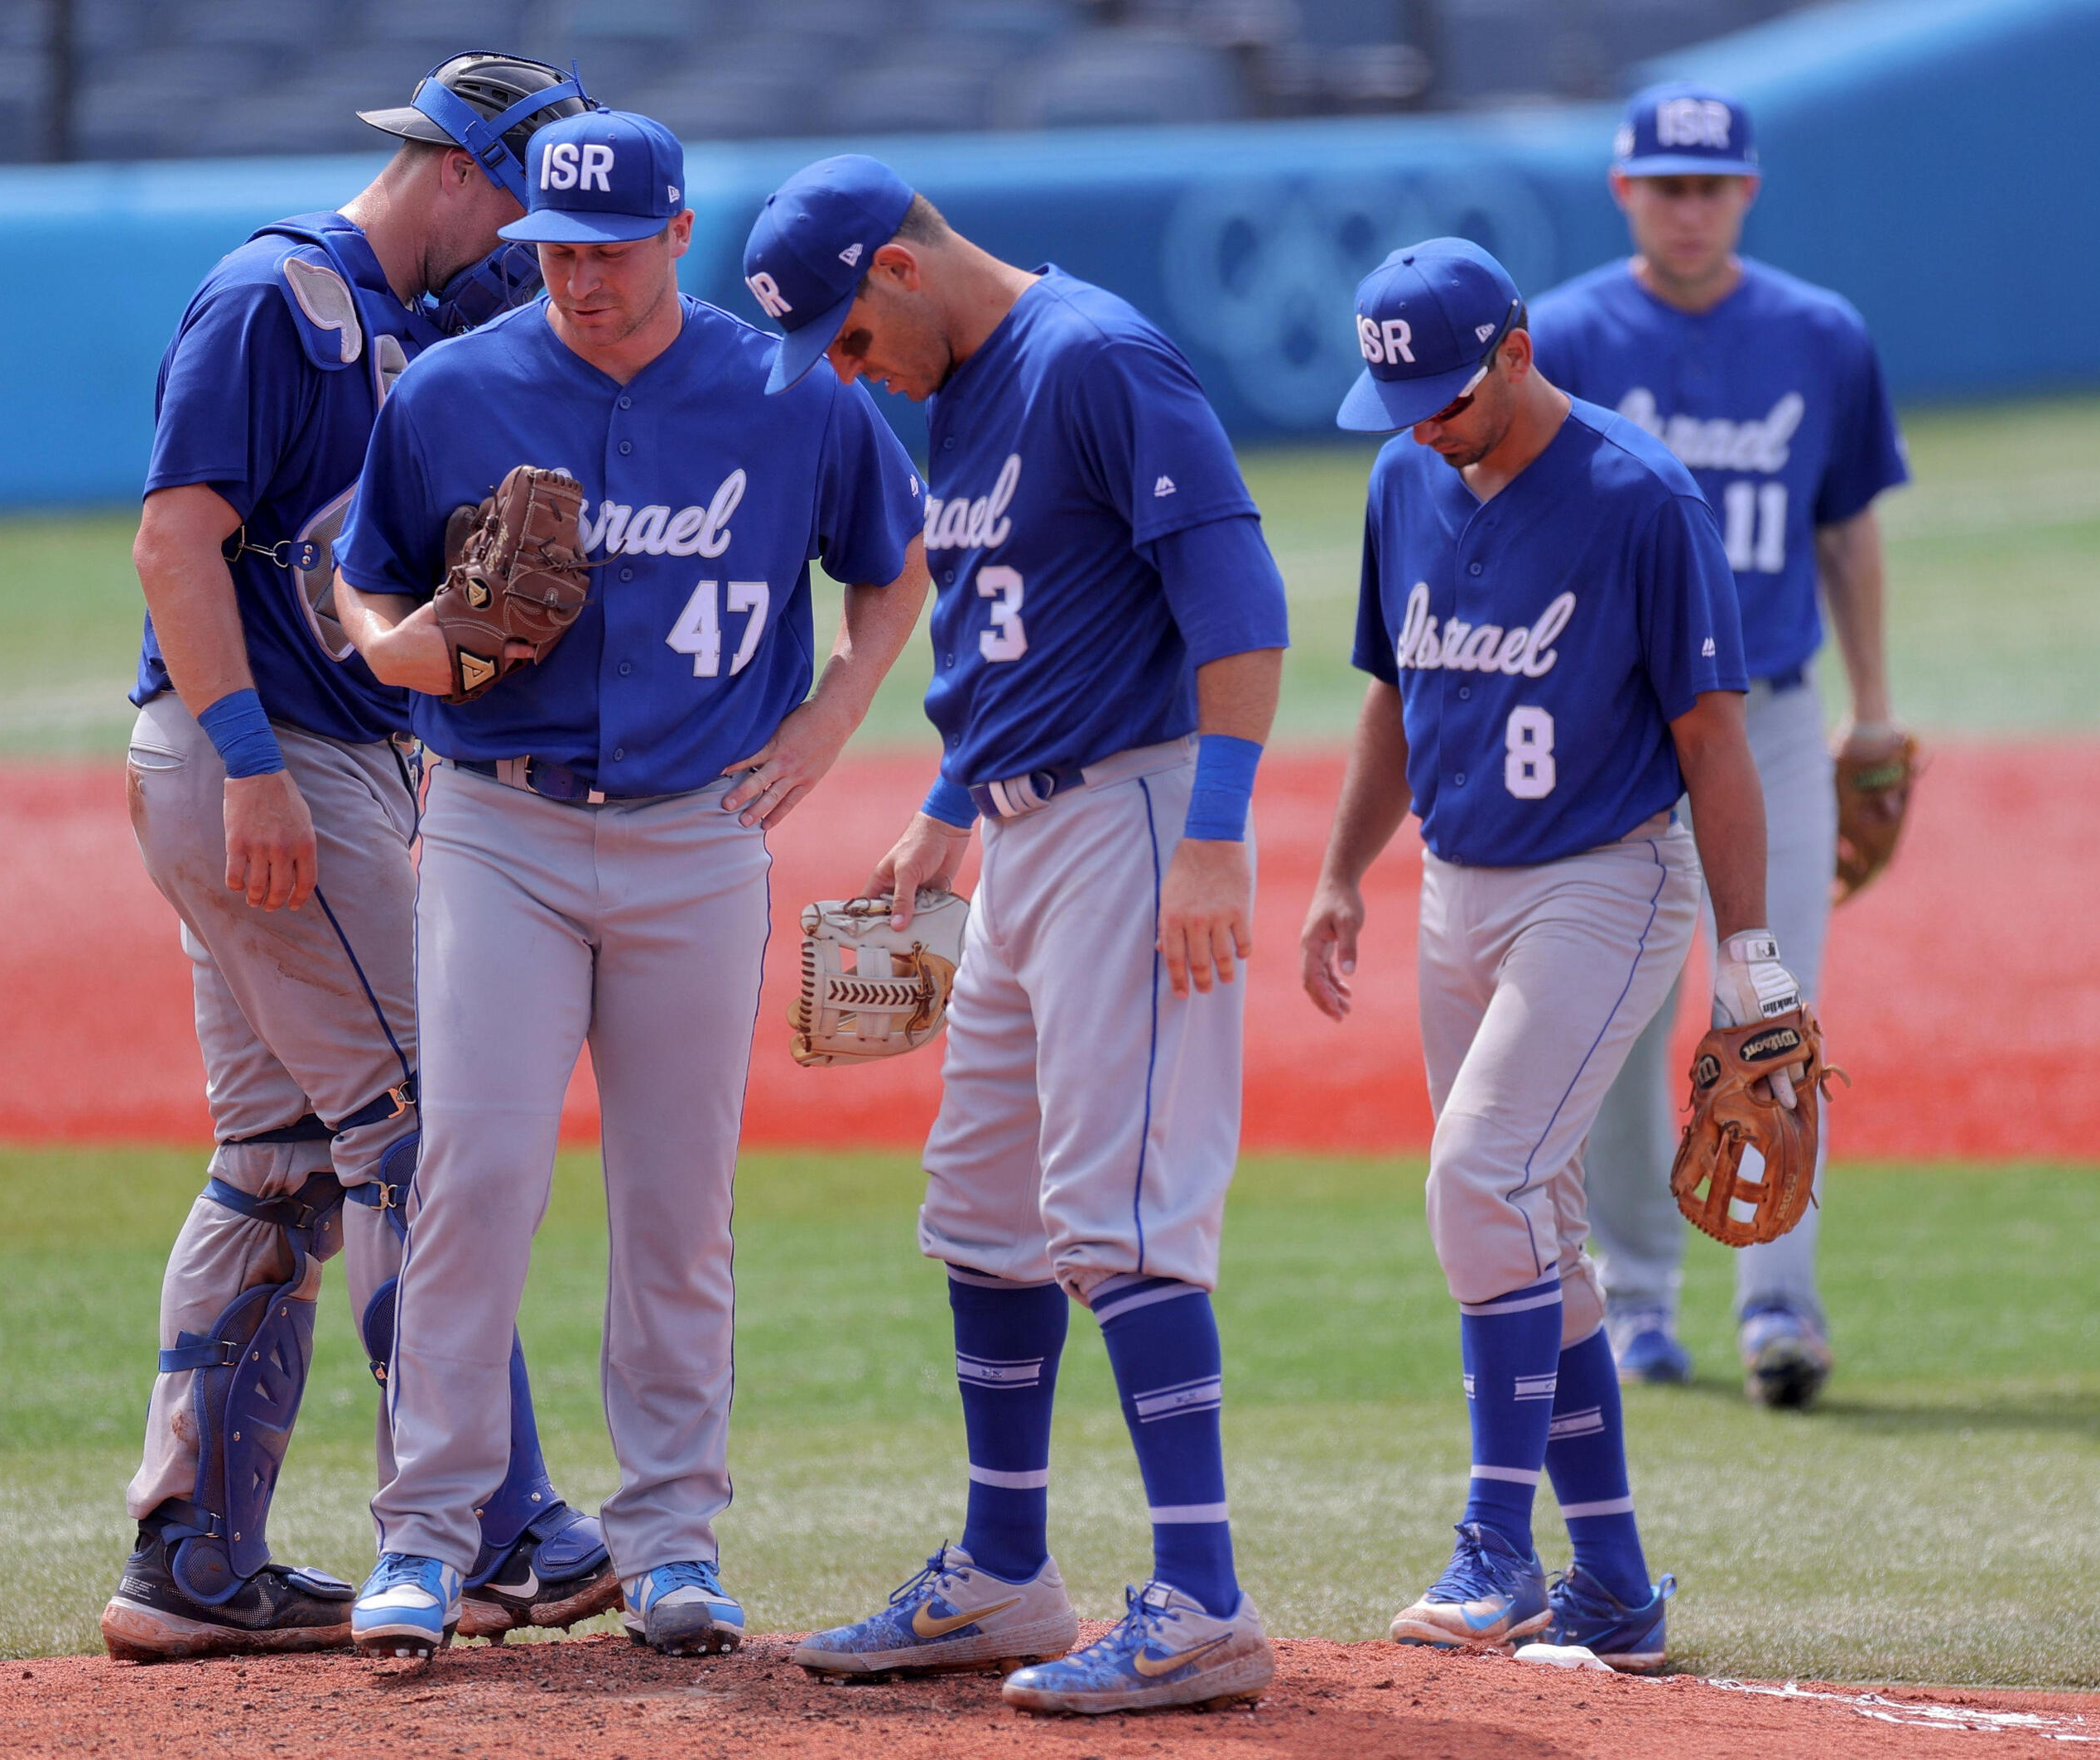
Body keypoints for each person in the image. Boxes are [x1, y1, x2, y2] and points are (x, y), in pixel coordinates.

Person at [328, 108, 929, 1661]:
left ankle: (672, 1539)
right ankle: (426, 1539)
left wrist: (832, 716)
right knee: (478, 1174)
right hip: (499, 824)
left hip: (696, 833)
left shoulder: (786, 388)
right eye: (553, 251)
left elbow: (893, 563)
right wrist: (396, 650)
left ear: (676, 234)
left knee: (676, 1203)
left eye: (608, 251)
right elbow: (366, 571)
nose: (577, 280)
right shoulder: (458, 389)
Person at [739, 154, 1290, 1715]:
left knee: (1119, 1211)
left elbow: (1240, 606)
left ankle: (1203, 1599)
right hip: (1028, 832)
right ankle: (1004, 1569)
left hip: (1137, 816)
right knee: (982, 1206)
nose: (852, 375)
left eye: (848, 340)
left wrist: (1217, 842)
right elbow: (1017, 622)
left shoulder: (1096, 358)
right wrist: (953, 801)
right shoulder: (965, 393)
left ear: (898, 272)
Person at [104, 53, 616, 1663]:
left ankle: (189, 1557)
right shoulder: (276, 302)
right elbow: (174, 538)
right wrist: (256, 769)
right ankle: (501, 1525)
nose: (532, 242)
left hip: (299, 767)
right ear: (464, 169)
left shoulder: (420, 323)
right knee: (423, 1130)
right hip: (265, 769)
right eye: (522, 203)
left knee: (283, 1158)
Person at [1300, 238, 1812, 1665]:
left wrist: (1752, 954)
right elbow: (1394, 698)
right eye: (1399, 400)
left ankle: (1496, 1545)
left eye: (1448, 396)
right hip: (1452, 891)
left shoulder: (1641, 496)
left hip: (1605, 883)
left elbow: (1715, 737)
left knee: (1482, 1178)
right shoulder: (1403, 478)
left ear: (1515, 353)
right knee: (1538, 1231)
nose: (1422, 424)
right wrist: (1343, 872)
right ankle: (1617, 1589)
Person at [1529, 81, 1911, 1408]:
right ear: (1625, 188)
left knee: (1772, 1005)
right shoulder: (1565, 335)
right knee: (1626, 1011)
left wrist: (1874, 703)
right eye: (1665, 184)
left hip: (1778, 713)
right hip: (1626, 726)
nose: (1690, 207)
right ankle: (1635, 1294)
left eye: (1712, 185)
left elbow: (1847, 528)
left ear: (1746, 191)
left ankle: (1780, 1304)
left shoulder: (1821, 335)